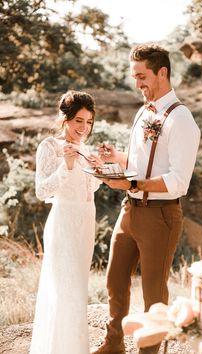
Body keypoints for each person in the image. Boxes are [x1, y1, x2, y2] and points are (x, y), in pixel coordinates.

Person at [91, 43, 200, 354]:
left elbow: (178, 182)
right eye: (134, 76)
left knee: (153, 291)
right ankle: (113, 345)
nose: (137, 83)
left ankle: (150, 352)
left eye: (142, 76)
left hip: (161, 216)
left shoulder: (182, 121)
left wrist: (132, 183)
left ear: (162, 73)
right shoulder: (143, 112)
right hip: (130, 210)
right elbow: (140, 165)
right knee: (114, 279)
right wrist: (117, 159)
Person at [30, 90, 102, 354]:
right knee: (64, 290)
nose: (84, 128)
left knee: (77, 290)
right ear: (65, 119)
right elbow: (41, 191)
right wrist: (66, 166)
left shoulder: (85, 148)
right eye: (78, 121)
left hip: (86, 223)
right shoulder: (49, 146)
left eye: (89, 122)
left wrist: (97, 168)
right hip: (63, 224)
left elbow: (89, 189)